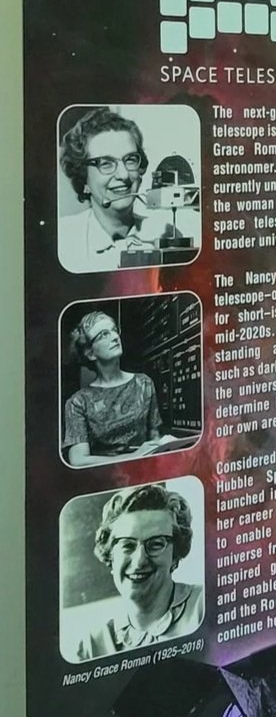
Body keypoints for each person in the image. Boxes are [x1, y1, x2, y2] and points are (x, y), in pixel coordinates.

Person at [62, 482, 204, 661]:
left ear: (175, 555)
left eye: (156, 544)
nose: (139, 561)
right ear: (110, 557)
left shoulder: (204, 606)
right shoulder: (92, 646)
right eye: (127, 545)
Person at [56, 108, 201, 271]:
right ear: (83, 177)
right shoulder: (63, 237)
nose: (123, 175)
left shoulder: (165, 233)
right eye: (106, 163)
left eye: (130, 160)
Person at [62, 310, 178, 466]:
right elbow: (78, 460)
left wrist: (164, 446)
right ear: (90, 353)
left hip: (144, 470)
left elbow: (154, 437)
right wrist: (133, 456)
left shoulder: (143, 383)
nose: (115, 337)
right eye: (104, 334)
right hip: (105, 476)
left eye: (114, 330)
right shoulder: (78, 402)